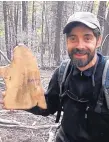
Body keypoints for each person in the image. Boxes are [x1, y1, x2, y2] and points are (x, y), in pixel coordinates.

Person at [4, 12, 109, 142]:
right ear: (67, 41)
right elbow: (49, 105)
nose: (79, 46)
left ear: (98, 40)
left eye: (87, 38)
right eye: (73, 38)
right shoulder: (63, 72)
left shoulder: (107, 74)